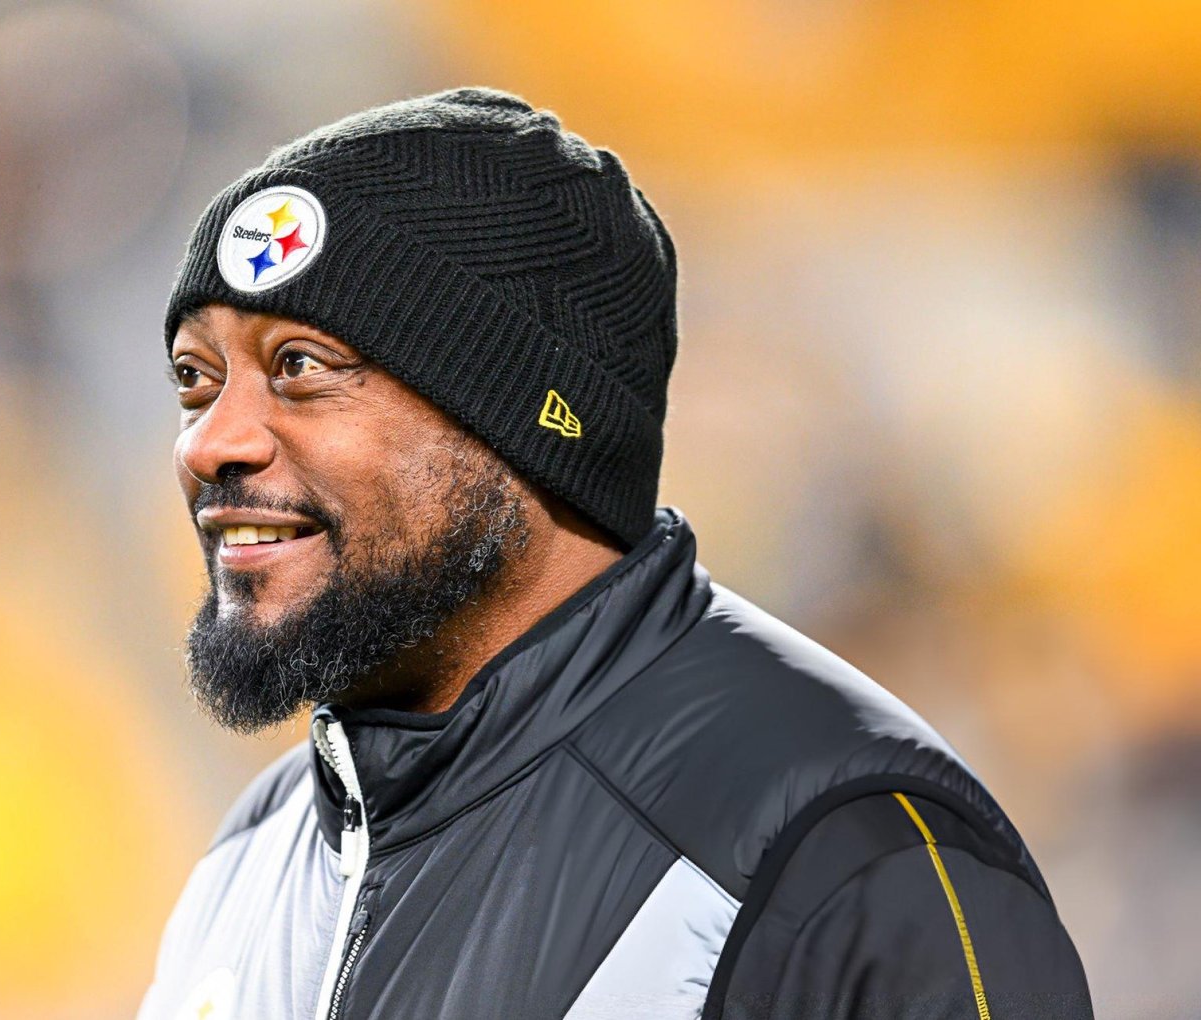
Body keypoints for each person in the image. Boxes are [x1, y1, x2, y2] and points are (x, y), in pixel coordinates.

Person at [137, 87, 1094, 1020]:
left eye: (301, 366)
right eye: (196, 378)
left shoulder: (840, 856)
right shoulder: (257, 850)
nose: (208, 443)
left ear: (523, 423)